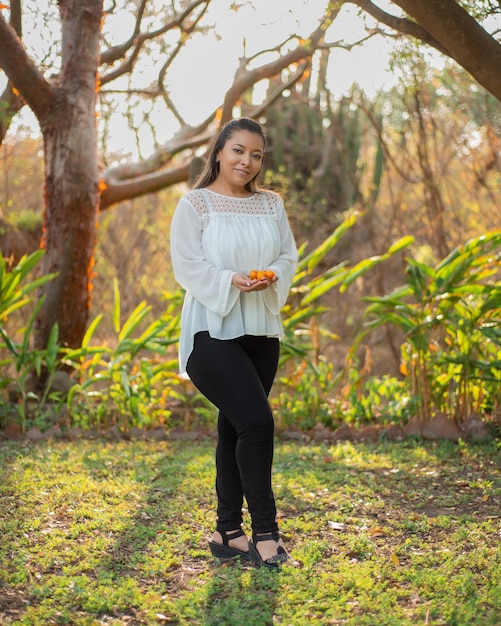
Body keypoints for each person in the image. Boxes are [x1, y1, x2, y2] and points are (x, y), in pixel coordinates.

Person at [170, 117, 298, 569]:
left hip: (261, 330)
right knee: (258, 424)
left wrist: (274, 275)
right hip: (211, 330)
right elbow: (186, 266)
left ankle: (228, 533)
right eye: (239, 150)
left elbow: (287, 255)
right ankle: (266, 533)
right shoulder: (196, 204)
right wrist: (230, 280)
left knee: (235, 427)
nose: (247, 161)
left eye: (257, 154)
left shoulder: (271, 205)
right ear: (220, 152)